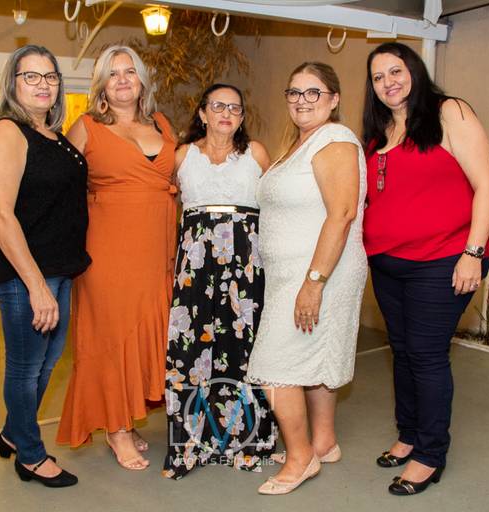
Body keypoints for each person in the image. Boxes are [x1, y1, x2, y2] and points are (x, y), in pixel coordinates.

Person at [362, 42, 489, 496]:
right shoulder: (379, 131)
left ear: (414, 71)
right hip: (388, 262)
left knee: (426, 354)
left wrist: (472, 252)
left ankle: (430, 454)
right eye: (378, 77)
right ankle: (409, 434)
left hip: (443, 260)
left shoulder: (449, 112)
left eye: (395, 71)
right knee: (402, 351)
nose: (388, 82)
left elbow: (487, 184)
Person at [246, 62, 367, 495]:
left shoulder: (335, 141)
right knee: (313, 361)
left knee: (274, 365)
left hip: (319, 272)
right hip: (292, 274)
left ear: (334, 99)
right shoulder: (300, 143)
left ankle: (301, 458)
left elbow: (342, 214)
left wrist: (314, 282)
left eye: (313, 92)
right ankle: (323, 442)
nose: (302, 100)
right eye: (294, 92)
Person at [57, 45, 177, 471]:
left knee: (145, 329)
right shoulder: (86, 127)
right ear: (101, 85)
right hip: (108, 250)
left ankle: (125, 413)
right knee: (112, 334)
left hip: (158, 249)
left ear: (142, 80)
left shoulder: (161, 123)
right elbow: (60, 187)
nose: (123, 79)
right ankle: (116, 429)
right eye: (113, 73)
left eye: (130, 71)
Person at [0, 45, 91, 488]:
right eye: (31, 76)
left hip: (56, 267)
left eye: (51, 76)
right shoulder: (7, 131)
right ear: (13, 83)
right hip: (23, 273)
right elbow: (0, 214)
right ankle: (30, 455)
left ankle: (13, 431)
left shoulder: (51, 134)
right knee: (26, 367)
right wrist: (36, 286)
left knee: (46, 362)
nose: (43, 84)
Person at [162, 83, 277, 480]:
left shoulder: (255, 153)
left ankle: (247, 442)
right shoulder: (182, 155)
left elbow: (278, 206)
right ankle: (189, 445)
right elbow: (162, 206)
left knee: (243, 348)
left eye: (235, 108)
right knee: (191, 350)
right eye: (218, 106)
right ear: (202, 113)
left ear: (242, 117)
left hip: (245, 266)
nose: (227, 113)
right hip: (195, 268)